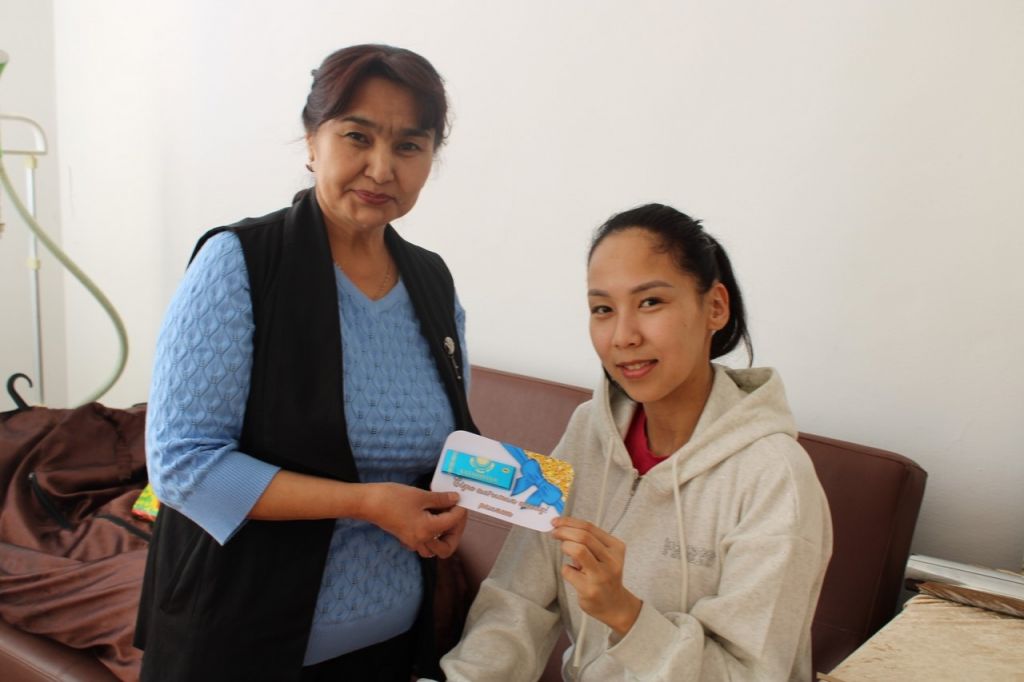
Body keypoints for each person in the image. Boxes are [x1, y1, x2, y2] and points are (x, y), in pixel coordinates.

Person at [134, 44, 476, 682]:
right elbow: (182, 465)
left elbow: (446, 445)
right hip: (240, 640)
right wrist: (366, 503)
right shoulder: (241, 262)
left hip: (391, 641)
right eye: (357, 137)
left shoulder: (433, 282)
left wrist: (466, 501)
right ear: (312, 141)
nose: (382, 168)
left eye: (409, 145)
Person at [441, 203, 833, 681]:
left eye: (650, 302)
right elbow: (517, 601)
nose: (622, 336)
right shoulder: (589, 430)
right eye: (603, 309)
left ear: (715, 306)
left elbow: (749, 675)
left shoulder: (774, 477)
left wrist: (626, 614)